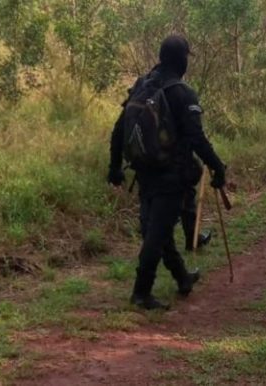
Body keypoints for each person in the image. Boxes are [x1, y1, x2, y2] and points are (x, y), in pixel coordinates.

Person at [108, 35, 226, 309]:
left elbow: (119, 128)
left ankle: (183, 277)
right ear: (181, 59)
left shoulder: (142, 85)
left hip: (145, 171)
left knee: (156, 229)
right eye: (187, 57)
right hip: (172, 176)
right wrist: (218, 167)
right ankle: (141, 292)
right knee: (156, 234)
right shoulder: (182, 93)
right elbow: (197, 139)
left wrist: (114, 166)